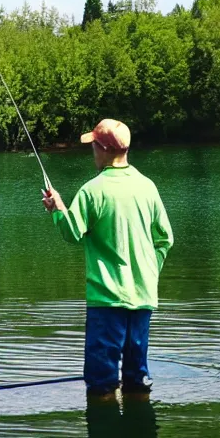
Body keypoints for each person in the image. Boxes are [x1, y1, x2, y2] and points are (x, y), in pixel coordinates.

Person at [42, 119, 173, 397]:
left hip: (106, 301)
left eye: (93, 146)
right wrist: (149, 272)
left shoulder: (93, 190)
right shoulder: (147, 186)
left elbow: (71, 232)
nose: (92, 152)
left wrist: (57, 209)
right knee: (137, 381)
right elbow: (165, 239)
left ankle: (106, 433)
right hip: (143, 299)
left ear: (103, 149)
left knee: (101, 384)